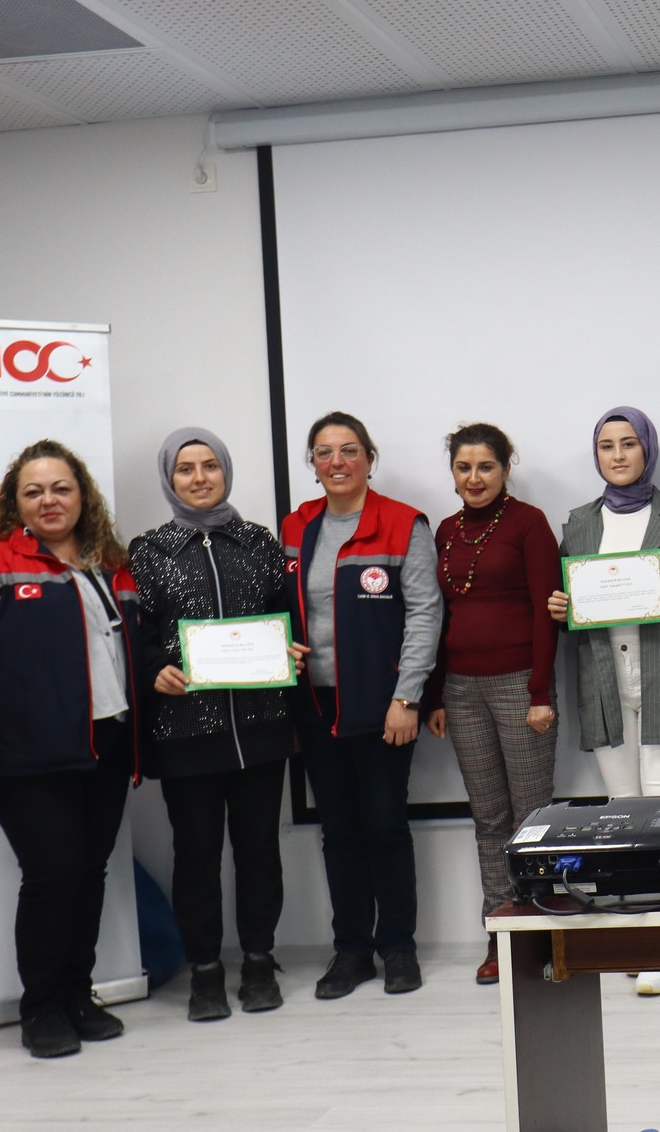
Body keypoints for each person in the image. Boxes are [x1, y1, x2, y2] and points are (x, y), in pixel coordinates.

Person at [0, 439, 141, 1058]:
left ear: (82, 495)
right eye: (34, 491)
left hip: (105, 742)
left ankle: (77, 994)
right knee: (53, 874)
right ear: (14, 502)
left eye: (61, 488)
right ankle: (42, 1008)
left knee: (90, 871)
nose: (50, 500)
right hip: (26, 752)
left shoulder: (107, 560)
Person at [130, 428, 305, 1021]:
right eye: (186, 469)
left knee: (259, 853)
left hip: (261, 728)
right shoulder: (148, 551)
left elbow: (285, 615)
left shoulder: (259, 542)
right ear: (169, 479)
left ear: (226, 471)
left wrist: (290, 649)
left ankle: (258, 961)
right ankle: (205, 971)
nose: (200, 477)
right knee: (196, 857)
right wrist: (153, 670)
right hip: (187, 734)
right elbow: (136, 636)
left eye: (210, 465)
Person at [281, 412, 442, 1001]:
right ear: (313, 465)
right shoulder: (297, 526)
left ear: (370, 459)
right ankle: (351, 951)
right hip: (315, 705)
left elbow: (425, 614)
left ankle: (398, 946)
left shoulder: (403, 524)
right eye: (324, 453)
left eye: (349, 450)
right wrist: (280, 649)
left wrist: (408, 698)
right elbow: (282, 607)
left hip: (382, 704)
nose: (337, 462)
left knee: (384, 824)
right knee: (338, 831)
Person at [546, 406, 660, 996]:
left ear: (647, 450)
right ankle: (639, 933)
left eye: (629, 443)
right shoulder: (578, 523)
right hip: (604, 682)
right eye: (606, 445)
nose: (617, 455)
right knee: (623, 812)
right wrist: (561, 609)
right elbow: (573, 607)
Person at [420, 422, 561, 988]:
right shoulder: (446, 530)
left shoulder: (529, 523)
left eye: (486, 467)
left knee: (532, 819)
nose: (474, 478)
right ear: (452, 472)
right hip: (462, 690)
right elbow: (438, 617)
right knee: (489, 819)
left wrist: (540, 693)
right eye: (464, 467)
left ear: (505, 468)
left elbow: (547, 612)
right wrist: (435, 694)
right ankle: (499, 933)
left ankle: (540, 932)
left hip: (521, 686)